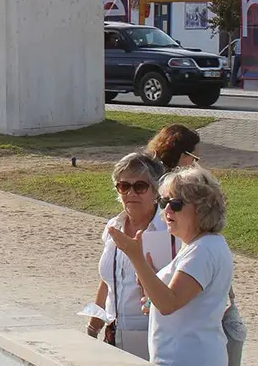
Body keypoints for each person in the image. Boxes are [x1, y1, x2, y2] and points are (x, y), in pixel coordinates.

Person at [108, 166, 235, 366]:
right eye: (164, 202)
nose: (166, 210)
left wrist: (136, 257)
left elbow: (169, 303)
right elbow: (173, 304)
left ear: (201, 208)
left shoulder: (203, 249)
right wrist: (150, 299)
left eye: (175, 204)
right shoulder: (198, 245)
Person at [87, 153, 170, 359]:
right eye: (124, 186)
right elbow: (107, 282)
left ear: (155, 191)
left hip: (152, 338)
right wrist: (92, 327)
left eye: (140, 186)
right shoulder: (113, 226)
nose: (131, 193)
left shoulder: (168, 232)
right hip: (112, 336)